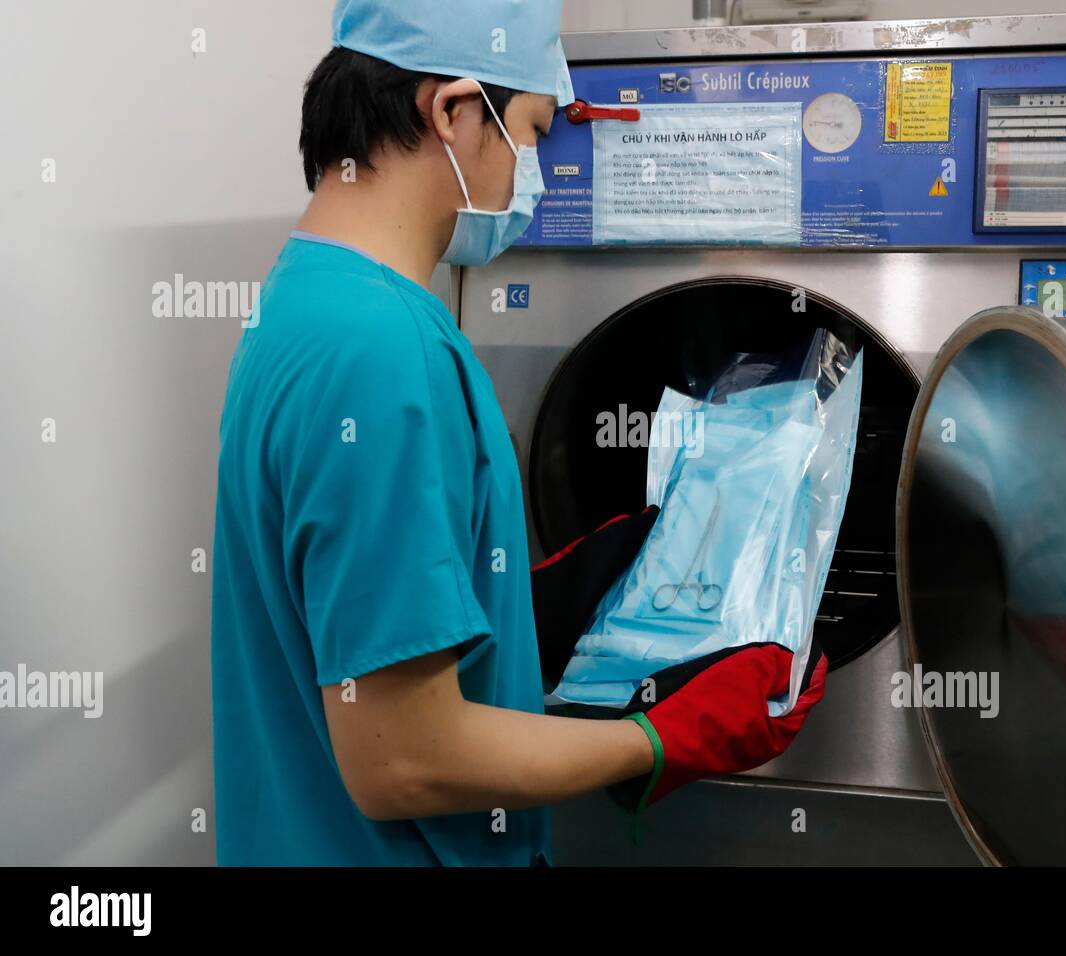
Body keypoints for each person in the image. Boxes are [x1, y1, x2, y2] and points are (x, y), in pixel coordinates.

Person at [210, 0, 825, 866]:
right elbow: (403, 763)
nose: (534, 171)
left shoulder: (303, 300)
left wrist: (528, 602)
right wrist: (665, 738)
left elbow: (339, 604)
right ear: (455, 112)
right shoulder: (385, 351)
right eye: (533, 131)